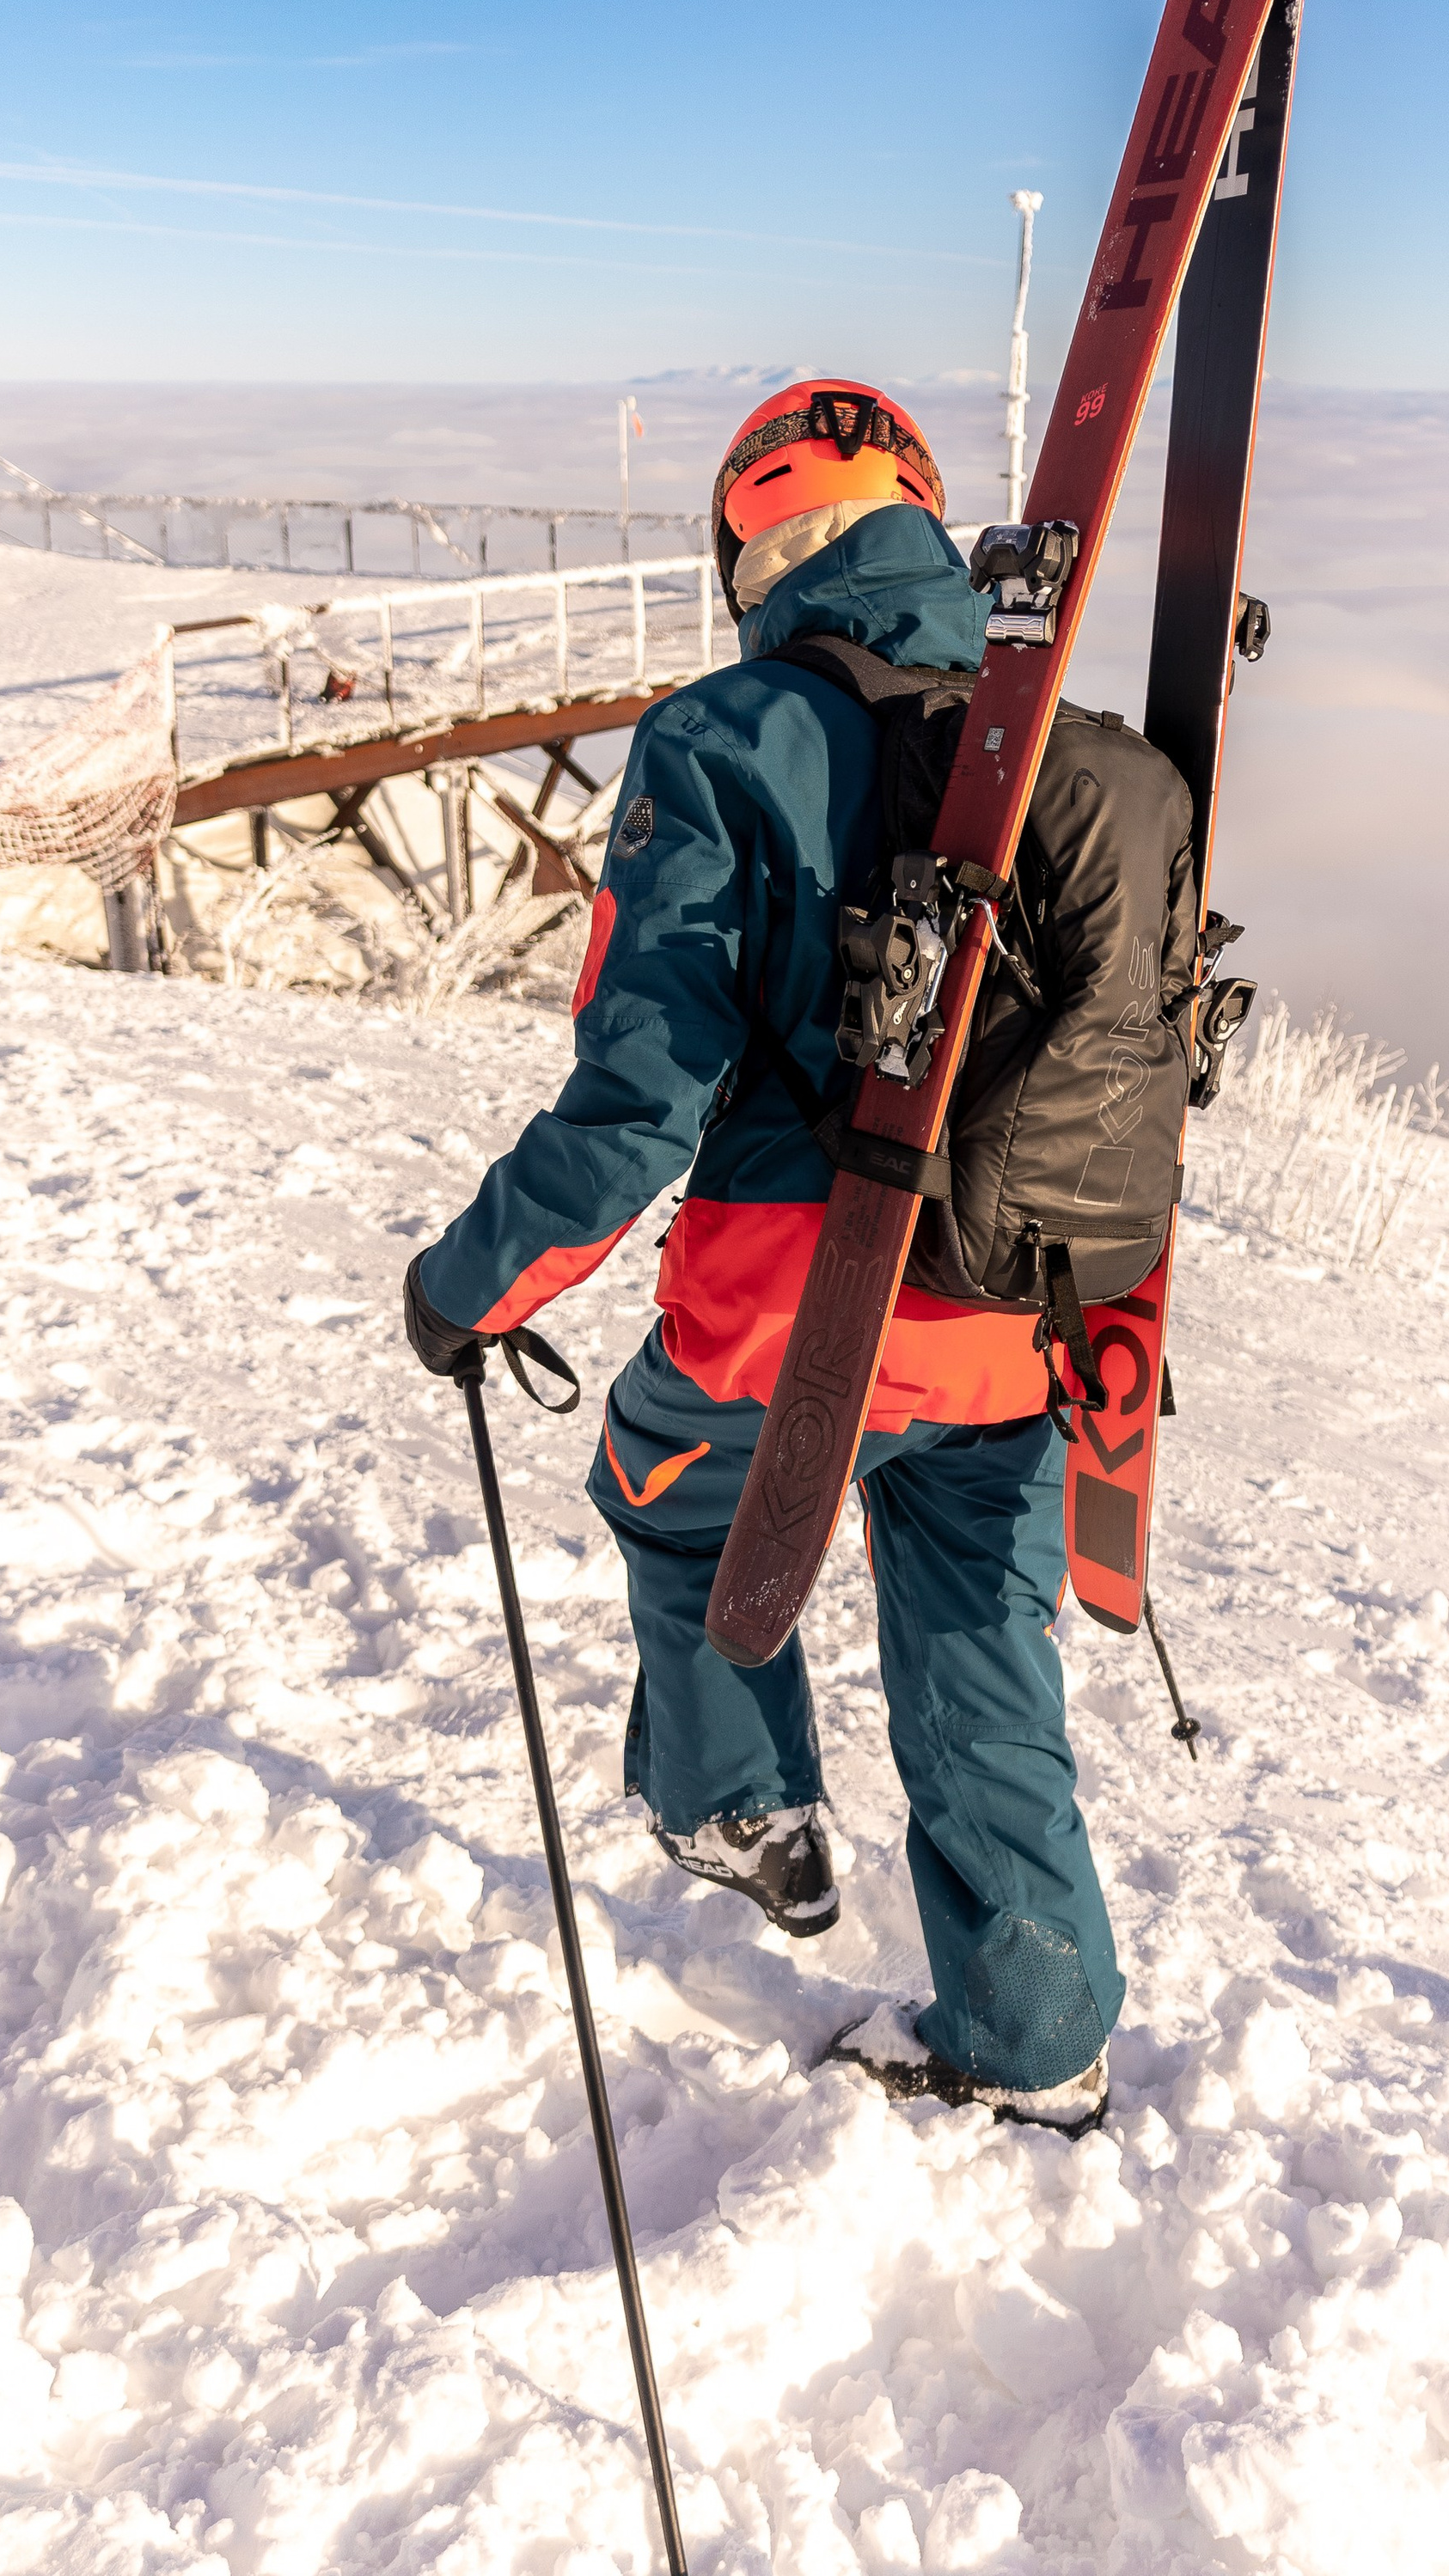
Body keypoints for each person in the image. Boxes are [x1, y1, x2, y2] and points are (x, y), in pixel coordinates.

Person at [403, 383, 1122, 2130]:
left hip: (792, 1312)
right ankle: (1034, 2042)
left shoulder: (722, 736)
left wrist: (472, 1283)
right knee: (976, 1650)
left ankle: (741, 1807)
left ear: (758, 545)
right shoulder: (1056, 745)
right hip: (1014, 1312)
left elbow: (644, 1092)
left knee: (667, 1494)